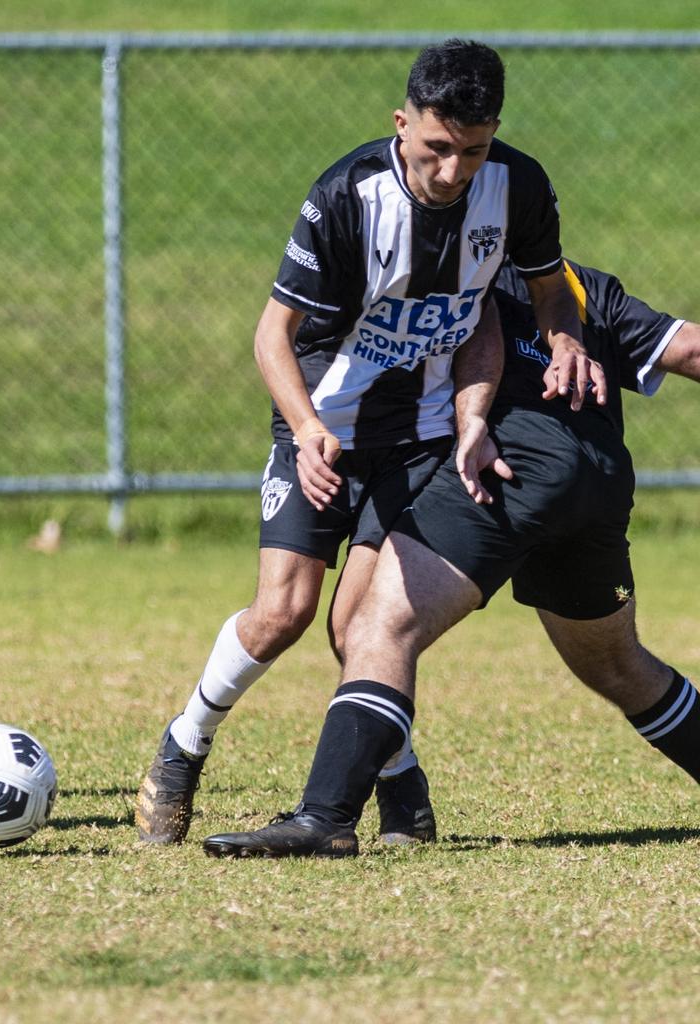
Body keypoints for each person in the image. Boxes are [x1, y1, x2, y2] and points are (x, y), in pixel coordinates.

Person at [135, 40, 603, 846]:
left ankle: (403, 802)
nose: (454, 171)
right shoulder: (347, 196)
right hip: (322, 420)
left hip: (421, 436)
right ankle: (185, 744)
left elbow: (505, 307)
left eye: (474, 149)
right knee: (283, 612)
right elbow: (271, 336)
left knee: (362, 628)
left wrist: (505, 390)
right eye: (437, 148)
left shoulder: (517, 186)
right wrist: (312, 430)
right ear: (403, 122)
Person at [201, 258, 700, 858]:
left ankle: (325, 818)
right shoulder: (581, 285)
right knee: (616, 663)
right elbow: (689, 349)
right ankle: (383, 803)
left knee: (378, 625)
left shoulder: (447, 273)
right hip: (597, 480)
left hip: (508, 466)